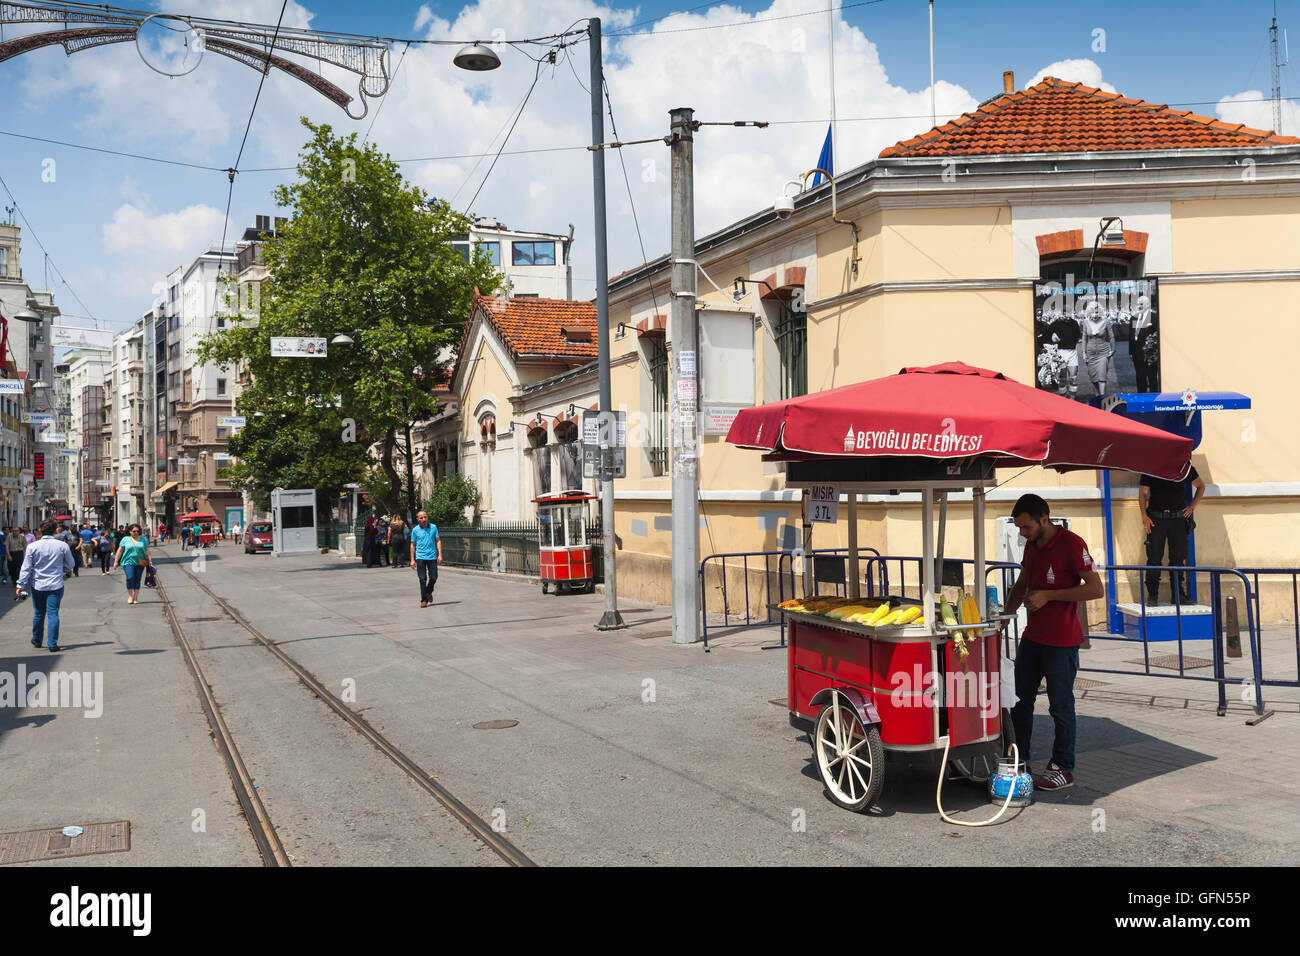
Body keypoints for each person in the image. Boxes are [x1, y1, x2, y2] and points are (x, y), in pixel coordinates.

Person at [1001, 494, 1105, 792]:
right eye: (1019, 527)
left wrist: (1049, 595)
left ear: (1043, 519)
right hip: (1032, 638)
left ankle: (1063, 767)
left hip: (1061, 640)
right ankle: (1019, 758)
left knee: (1060, 706)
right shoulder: (1032, 548)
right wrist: (1007, 614)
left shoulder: (1072, 544)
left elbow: (1095, 589)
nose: (1022, 533)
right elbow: (1023, 583)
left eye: (1026, 527)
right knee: (1019, 701)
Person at [1140, 466, 1206, 605]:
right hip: (1156, 519)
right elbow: (1143, 493)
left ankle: (1178, 595)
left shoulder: (1184, 466)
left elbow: (1200, 486)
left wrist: (1192, 507)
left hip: (1178, 519)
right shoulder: (1151, 466)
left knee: (1178, 558)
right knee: (1154, 558)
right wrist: (1144, 516)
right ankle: (1152, 596)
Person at [17, 519, 75, 651]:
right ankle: (52, 644)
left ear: (40, 531)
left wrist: (20, 584)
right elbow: (71, 564)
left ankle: (37, 640)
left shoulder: (33, 546)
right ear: (55, 531)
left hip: (38, 584)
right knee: (53, 613)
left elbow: (26, 567)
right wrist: (63, 569)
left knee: (38, 613)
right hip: (56, 584)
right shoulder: (62, 546)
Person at [1078, 300, 1114, 397]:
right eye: (1093, 312)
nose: (1095, 314)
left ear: (1100, 312)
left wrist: (1113, 349)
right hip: (1090, 354)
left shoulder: (1106, 322)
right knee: (1093, 378)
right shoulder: (1085, 322)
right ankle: (1097, 398)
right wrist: (1084, 353)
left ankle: (1102, 399)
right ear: (1089, 312)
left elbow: (1111, 337)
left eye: (1097, 312)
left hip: (1103, 352)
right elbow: (1084, 338)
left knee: (1102, 378)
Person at [409, 511, 443, 607]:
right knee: (422, 579)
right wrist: (412, 559)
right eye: (421, 518)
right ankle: (424, 600)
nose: (424, 519)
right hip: (420, 557)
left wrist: (440, 555)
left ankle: (428, 592)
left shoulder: (433, 527)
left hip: (432, 556)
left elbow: (438, 541)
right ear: (418, 519)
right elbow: (412, 544)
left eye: (425, 517)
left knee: (434, 577)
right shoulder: (415, 530)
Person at [111, 523, 151, 606]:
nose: (136, 533)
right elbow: (120, 550)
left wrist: (150, 560)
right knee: (130, 577)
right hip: (127, 561)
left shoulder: (143, 539)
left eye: (137, 531)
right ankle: (130, 596)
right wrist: (116, 561)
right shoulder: (125, 539)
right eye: (134, 531)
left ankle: (135, 597)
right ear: (129, 531)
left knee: (137, 579)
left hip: (140, 562)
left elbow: (147, 550)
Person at [1129, 294, 1159, 392]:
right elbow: (1131, 336)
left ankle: (1153, 401)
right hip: (1137, 354)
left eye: (1141, 304)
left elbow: (1157, 336)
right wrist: (1131, 352)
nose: (1139, 306)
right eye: (1138, 304)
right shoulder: (1133, 318)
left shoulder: (1154, 318)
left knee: (1152, 378)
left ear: (1148, 304)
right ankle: (1141, 399)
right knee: (1140, 378)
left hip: (1150, 355)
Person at [6, 525, 26, 592]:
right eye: (14, 531)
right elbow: (7, 546)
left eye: (17, 531)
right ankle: (13, 579)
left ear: (19, 531)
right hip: (11, 553)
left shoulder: (22, 537)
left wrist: (26, 555)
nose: (15, 532)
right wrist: (8, 555)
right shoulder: (9, 537)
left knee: (18, 568)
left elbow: (24, 545)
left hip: (19, 553)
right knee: (11, 568)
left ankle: (17, 581)